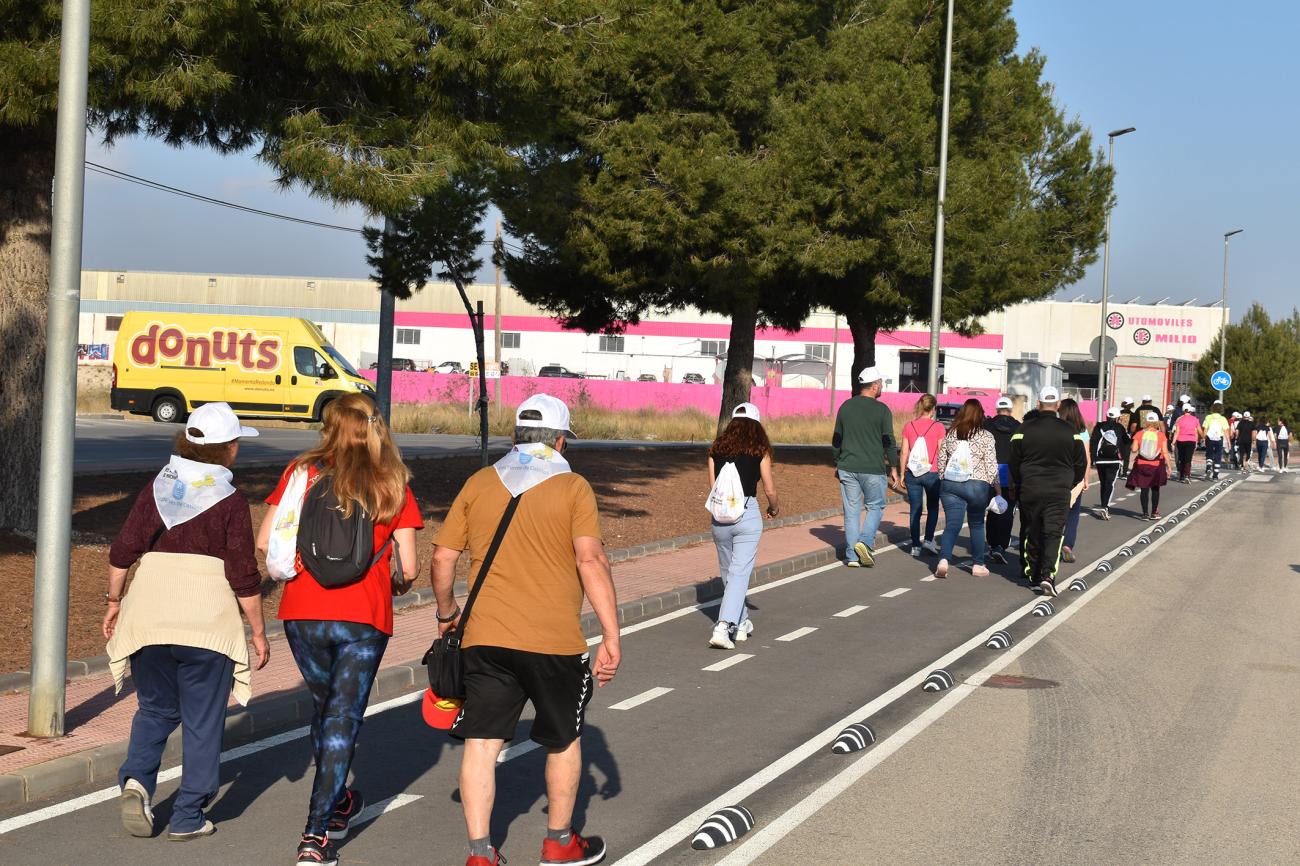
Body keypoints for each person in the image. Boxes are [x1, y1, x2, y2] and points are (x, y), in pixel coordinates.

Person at [431, 394, 620, 866]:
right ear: (559, 440)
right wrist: (611, 634)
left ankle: (480, 853)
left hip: (485, 637)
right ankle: (559, 842)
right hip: (553, 641)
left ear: (515, 436)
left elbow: (442, 557)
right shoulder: (573, 487)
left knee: (482, 744)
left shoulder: (478, 482)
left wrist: (446, 611)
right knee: (563, 739)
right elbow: (590, 559)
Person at [258, 393, 423, 866]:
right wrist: (393, 580)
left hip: (302, 613)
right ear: (374, 428)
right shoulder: (392, 480)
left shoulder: (301, 473)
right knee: (343, 716)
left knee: (325, 708)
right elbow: (409, 567)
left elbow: (265, 541)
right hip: (363, 617)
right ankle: (315, 834)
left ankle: (340, 801)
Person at [104, 402, 269, 841]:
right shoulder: (231, 501)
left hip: (149, 615)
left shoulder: (158, 486)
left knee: (156, 708)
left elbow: (123, 551)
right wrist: (257, 630)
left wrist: (114, 601)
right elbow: (242, 573)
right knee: (202, 719)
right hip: (206, 621)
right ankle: (189, 816)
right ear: (227, 449)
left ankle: (137, 781)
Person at [706, 402, 779, 649]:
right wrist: (774, 507)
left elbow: (713, 487)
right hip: (746, 513)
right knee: (739, 573)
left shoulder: (716, 449)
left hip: (720, 516)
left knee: (729, 573)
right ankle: (724, 626)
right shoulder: (760, 450)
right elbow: (769, 488)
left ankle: (742, 622)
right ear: (756, 425)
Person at [1009, 387, 1087, 597]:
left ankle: (1033, 575)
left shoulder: (1023, 430)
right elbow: (1081, 464)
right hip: (1059, 489)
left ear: (1038, 403)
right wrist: (1071, 482)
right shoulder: (1071, 432)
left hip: (1030, 488)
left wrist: (1019, 482)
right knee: (1053, 533)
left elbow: (1013, 462)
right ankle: (1047, 576)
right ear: (1058, 405)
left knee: (1031, 531)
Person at [832, 365, 899, 567]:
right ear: (875, 385)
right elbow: (888, 440)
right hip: (873, 468)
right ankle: (865, 542)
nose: (882, 387)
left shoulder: (845, 406)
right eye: (881, 384)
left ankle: (852, 556)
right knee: (876, 507)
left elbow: (837, 439)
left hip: (848, 466)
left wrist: (837, 461)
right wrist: (893, 467)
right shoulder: (882, 410)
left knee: (852, 511)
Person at [933, 399, 1001, 578]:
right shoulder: (986, 436)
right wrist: (997, 488)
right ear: (980, 415)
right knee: (977, 524)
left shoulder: (951, 434)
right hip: (977, 486)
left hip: (951, 484)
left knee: (952, 525)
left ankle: (943, 560)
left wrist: (943, 478)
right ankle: (978, 564)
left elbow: (941, 460)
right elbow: (991, 465)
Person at [899, 394, 945, 557]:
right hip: (932, 473)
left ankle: (915, 546)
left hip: (913, 472)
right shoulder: (939, 427)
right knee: (933, 507)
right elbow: (941, 451)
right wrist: (943, 471)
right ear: (933, 409)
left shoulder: (909, 426)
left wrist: (902, 473)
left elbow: (904, 451)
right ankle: (929, 540)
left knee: (915, 509)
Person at [984, 397, 1022, 563]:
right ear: (1011, 409)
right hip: (1010, 474)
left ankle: (992, 544)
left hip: (989, 473)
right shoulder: (1019, 428)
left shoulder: (987, 426)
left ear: (996, 409)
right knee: (1007, 511)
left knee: (992, 509)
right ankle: (1001, 545)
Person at [1057, 398, 1091, 563]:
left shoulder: (1056, 428)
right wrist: (1085, 479)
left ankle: (1053, 543)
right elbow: (1086, 457)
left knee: (1055, 512)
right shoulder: (1082, 431)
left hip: (1057, 476)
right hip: (1075, 477)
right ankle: (1067, 545)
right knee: (1073, 514)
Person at [1127, 411, 1173, 519]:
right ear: (1156, 422)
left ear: (1146, 421)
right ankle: (1154, 513)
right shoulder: (1161, 435)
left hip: (1142, 464)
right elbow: (1165, 452)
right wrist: (1169, 466)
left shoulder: (1139, 433)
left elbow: (1133, 450)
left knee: (1144, 489)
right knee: (1155, 489)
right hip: (1157, 465)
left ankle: (1144, 514)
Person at [1090, 406, 1128, 520]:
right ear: (1117, 418)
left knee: (1103, 483)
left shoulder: (1099, 426)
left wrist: (1093, 458)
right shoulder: (1120, 427)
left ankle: (1103, 504)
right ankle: (1105, 506)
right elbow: (1126, 441)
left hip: (1100, 459)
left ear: (1107, 416)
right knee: (1110, 483)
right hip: (1114, 459)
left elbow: (1093, 441)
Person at [1171, 402, 1203, 482]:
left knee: (1181, 458)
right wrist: (1203, 438)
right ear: (1190, 411)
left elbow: (1177, 432)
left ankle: (1181, 476)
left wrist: (1173, 442)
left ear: (1183, 410)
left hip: (1181, 441)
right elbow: (1199, 431)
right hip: (1191, 441)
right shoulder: (1195, 419)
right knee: (1188, 459)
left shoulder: (1179, 419)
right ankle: (1187, 475)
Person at [1202, 402, 1230, 480]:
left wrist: (1204, 438)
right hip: (1219, 438)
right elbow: (1226, 431)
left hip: (1209, 438)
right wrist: (1228, 442)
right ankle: (1215, 476)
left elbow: (1205, 428)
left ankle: (1208, 467)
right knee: (1218, 456)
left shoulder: (1208, 417)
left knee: (1209, 453)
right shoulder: (1223, 418)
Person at [1117, 399, 1135, 478]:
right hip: (1128, 436)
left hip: (1119, 436)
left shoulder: (1119, 413)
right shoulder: (1133, 414)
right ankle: (1124, 473)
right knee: (1126, 456)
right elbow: (1133, 427)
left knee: (1118, 454)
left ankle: (1117, 472)